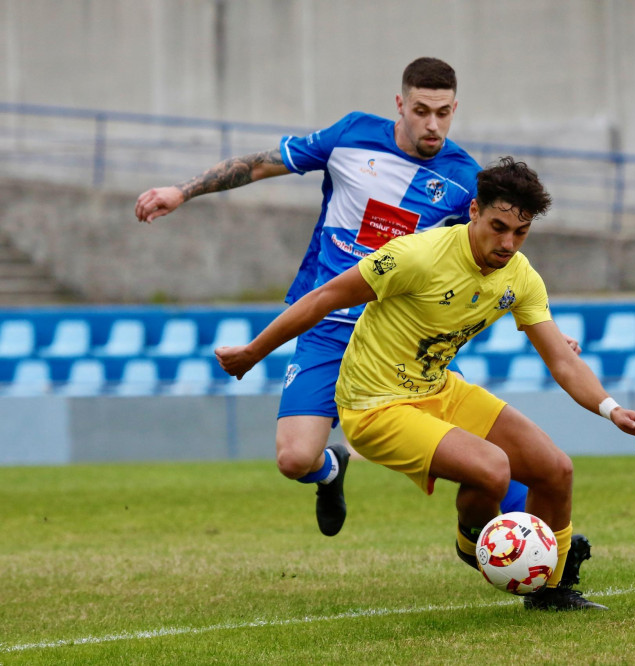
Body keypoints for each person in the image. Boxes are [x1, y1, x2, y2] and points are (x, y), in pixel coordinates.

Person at [133, 57, 594, 578]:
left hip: (404, 342)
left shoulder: (466, 179)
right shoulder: (351, 135)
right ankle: (332, 469)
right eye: (421, 110)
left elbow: (499, 249)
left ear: (455, 110)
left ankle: (545, 553)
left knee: (496, 460)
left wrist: (551, 329)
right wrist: (182, 191)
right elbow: (263, 163)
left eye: (443, 113)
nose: (432, 125)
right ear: (400, 104)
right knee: (294, 459)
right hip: (326, 325)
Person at [215, 157, 635, 611]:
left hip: (437, 389)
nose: (507, 243)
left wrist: (611, 408)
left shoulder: (520, 276)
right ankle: (478, 549)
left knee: (556, 469)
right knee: (493, 469)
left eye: (520, 233)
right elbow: (325, 297)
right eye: (498, 226)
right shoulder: (416, 255)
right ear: (474, 212)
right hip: (374, 405)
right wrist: (253, 352)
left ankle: (552, 590)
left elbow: (562, 361)